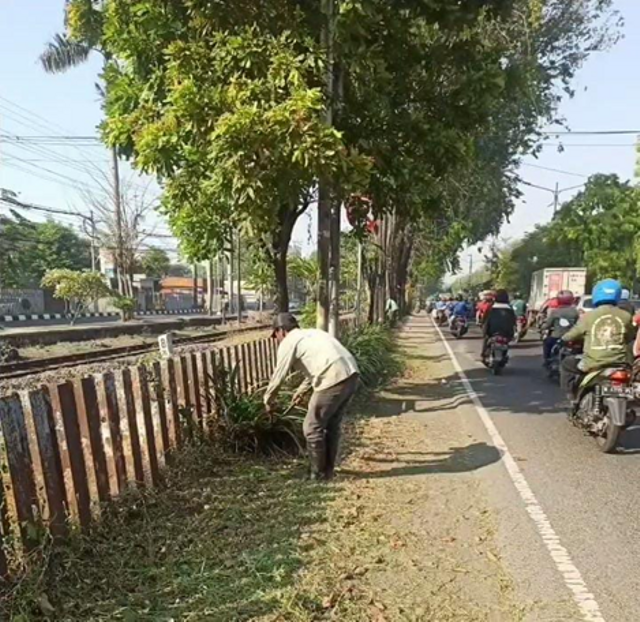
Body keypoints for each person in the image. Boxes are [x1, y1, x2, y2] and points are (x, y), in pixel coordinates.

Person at [264, 313, 360, 480]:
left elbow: (278, 375)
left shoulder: (289, 342)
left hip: (333, 378)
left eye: (275, 335)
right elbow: (322, 364)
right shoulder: (313, 334)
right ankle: (327, 471)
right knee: (331, 425)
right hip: (351, 374)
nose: (276, 339)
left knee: (311, 427)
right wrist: (301, 391)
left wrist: (268, 400)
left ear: (281, 331)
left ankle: (317, 473)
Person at [560, 279, 634, 403]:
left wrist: (562, 340)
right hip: (620, 363)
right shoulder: (626, 316)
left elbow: (571, 335)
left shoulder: (588, 316)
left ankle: (572, 396)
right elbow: (630, 336)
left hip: (593, 363)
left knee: (567, 364)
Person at [541, 289, 578, 365]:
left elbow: (547, 325)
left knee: (546, 342)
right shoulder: (575, 311)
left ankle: (547, 359)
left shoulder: (555, 312)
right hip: (571, 337)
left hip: (556, 337)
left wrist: (542, 327)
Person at [481, 289, 516, 361]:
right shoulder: (509, 308)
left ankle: (483, 354)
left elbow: (484, 318)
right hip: (506, 333)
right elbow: (513, 320)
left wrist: (484, 327)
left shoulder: (491, 307)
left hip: (492, 331)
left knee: (486, 337)